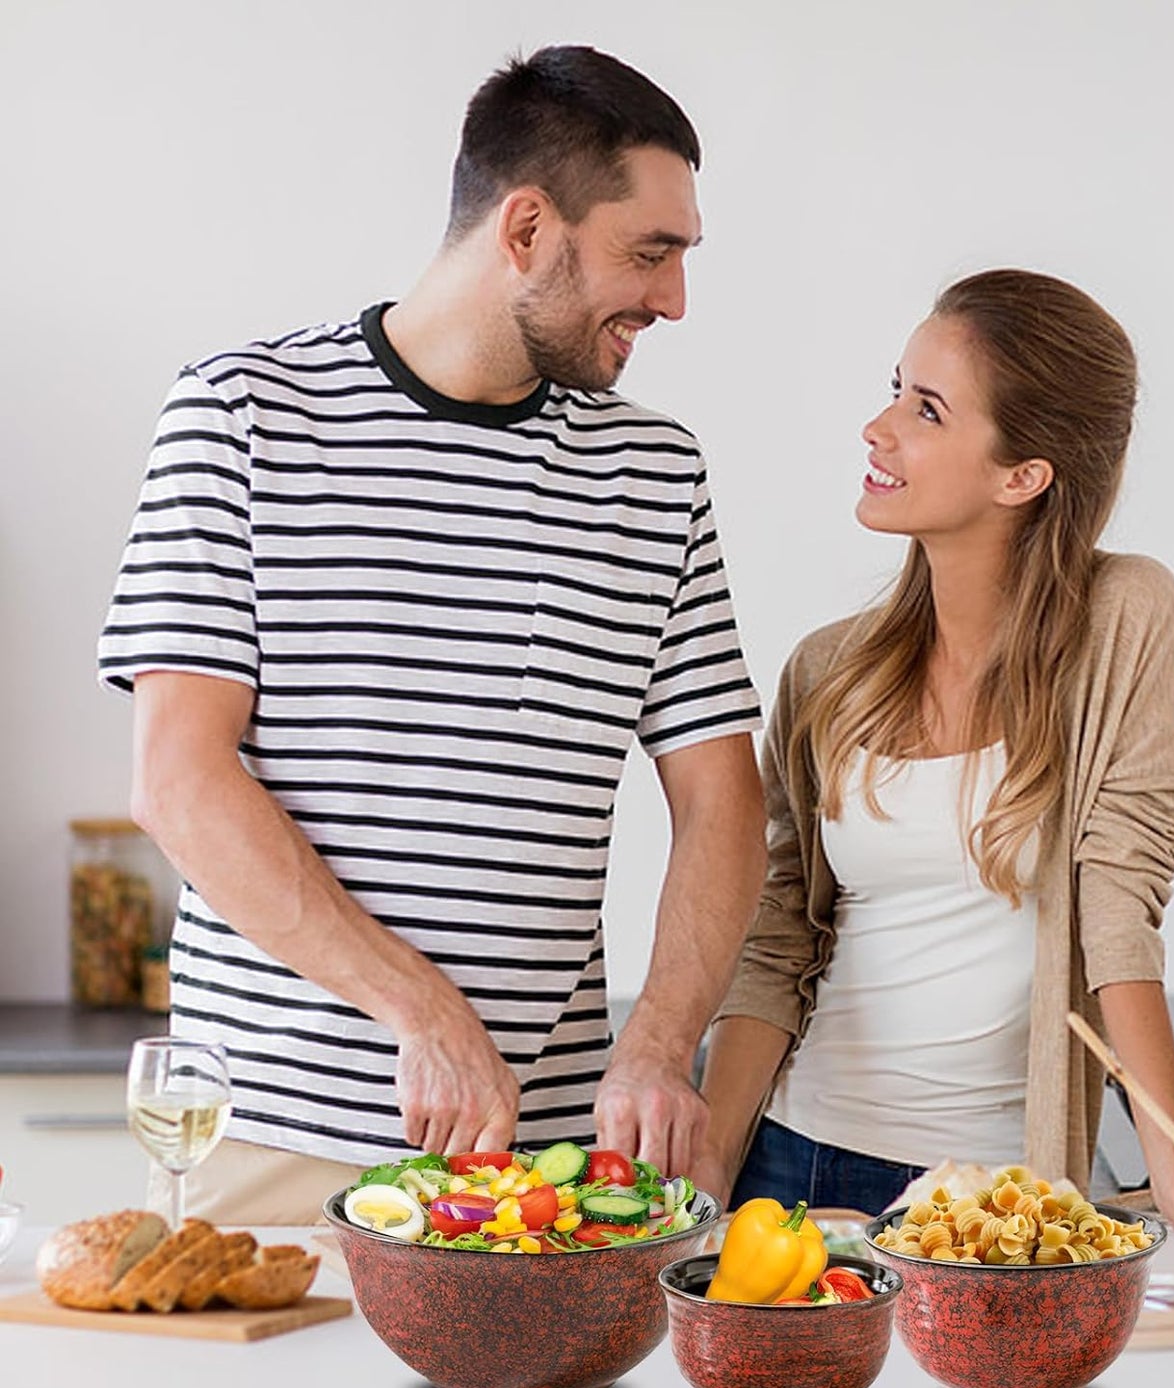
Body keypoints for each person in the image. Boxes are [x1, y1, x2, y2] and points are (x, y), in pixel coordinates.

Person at [98, 45, 767, 1224]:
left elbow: (722, 802)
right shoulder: (242, 414)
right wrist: (425, 1013)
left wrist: (658, 1046)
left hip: (548, 1172)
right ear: (524, 229)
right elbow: (178, 777)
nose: (672, 301)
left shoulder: (654, 474)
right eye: (646, 251)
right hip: (274, 1145)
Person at [693, 268, 1174, 1235]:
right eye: (892, 390)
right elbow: (777, 938)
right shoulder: (826, 669)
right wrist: (707, 1171)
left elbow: (1118, 903)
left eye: (925, 410)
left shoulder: (1126, 620)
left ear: (1022, 474)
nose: (877, 429)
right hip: (788, 1154)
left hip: (999, 1190)